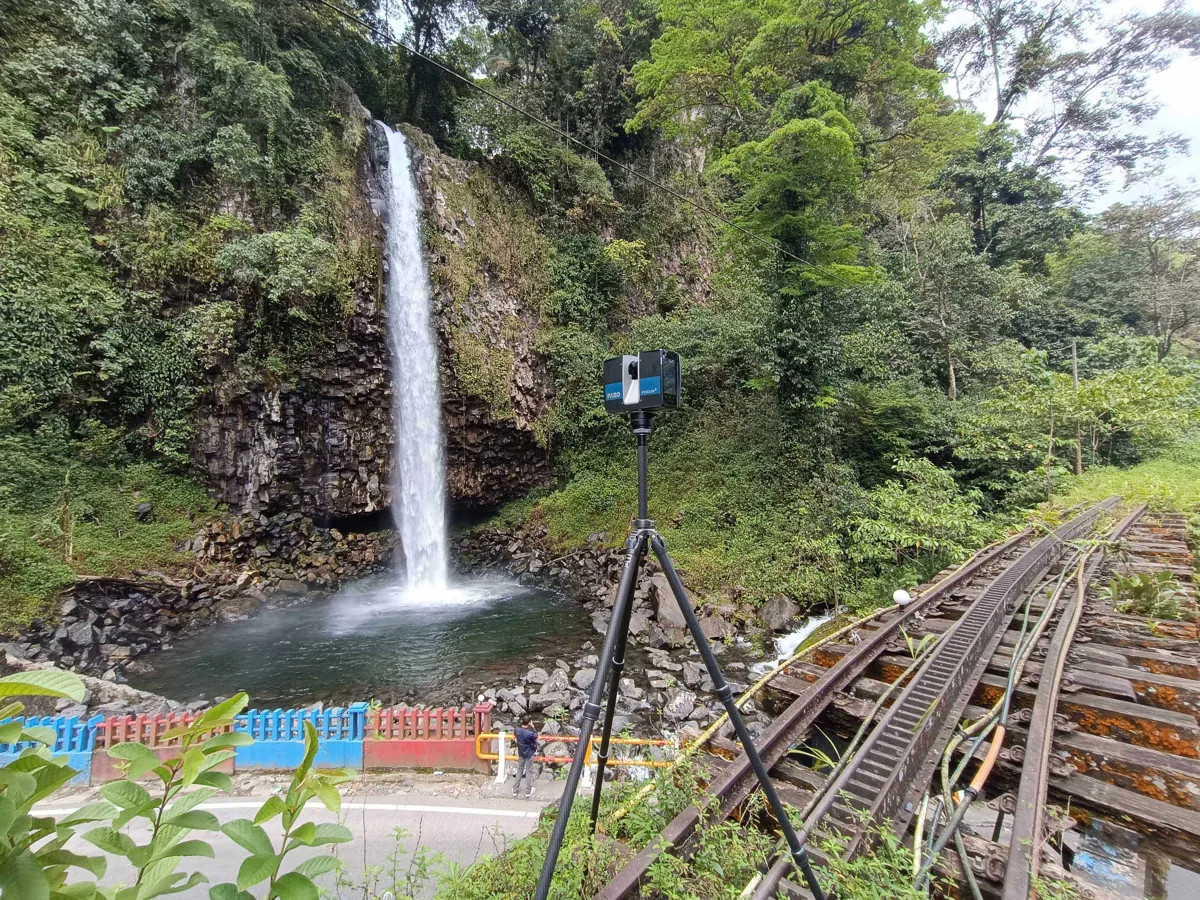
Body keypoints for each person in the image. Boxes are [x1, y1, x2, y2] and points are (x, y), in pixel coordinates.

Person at [512, 718, 539, 799]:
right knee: (529, 771)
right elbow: (536, 735)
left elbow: (516, 731)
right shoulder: (530, 733)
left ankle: (515, 790)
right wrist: (533, 727)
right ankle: (528, 791)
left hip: (521, 753)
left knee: (519, 770)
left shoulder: (517, 730)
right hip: (529, 753)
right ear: (529, 723)